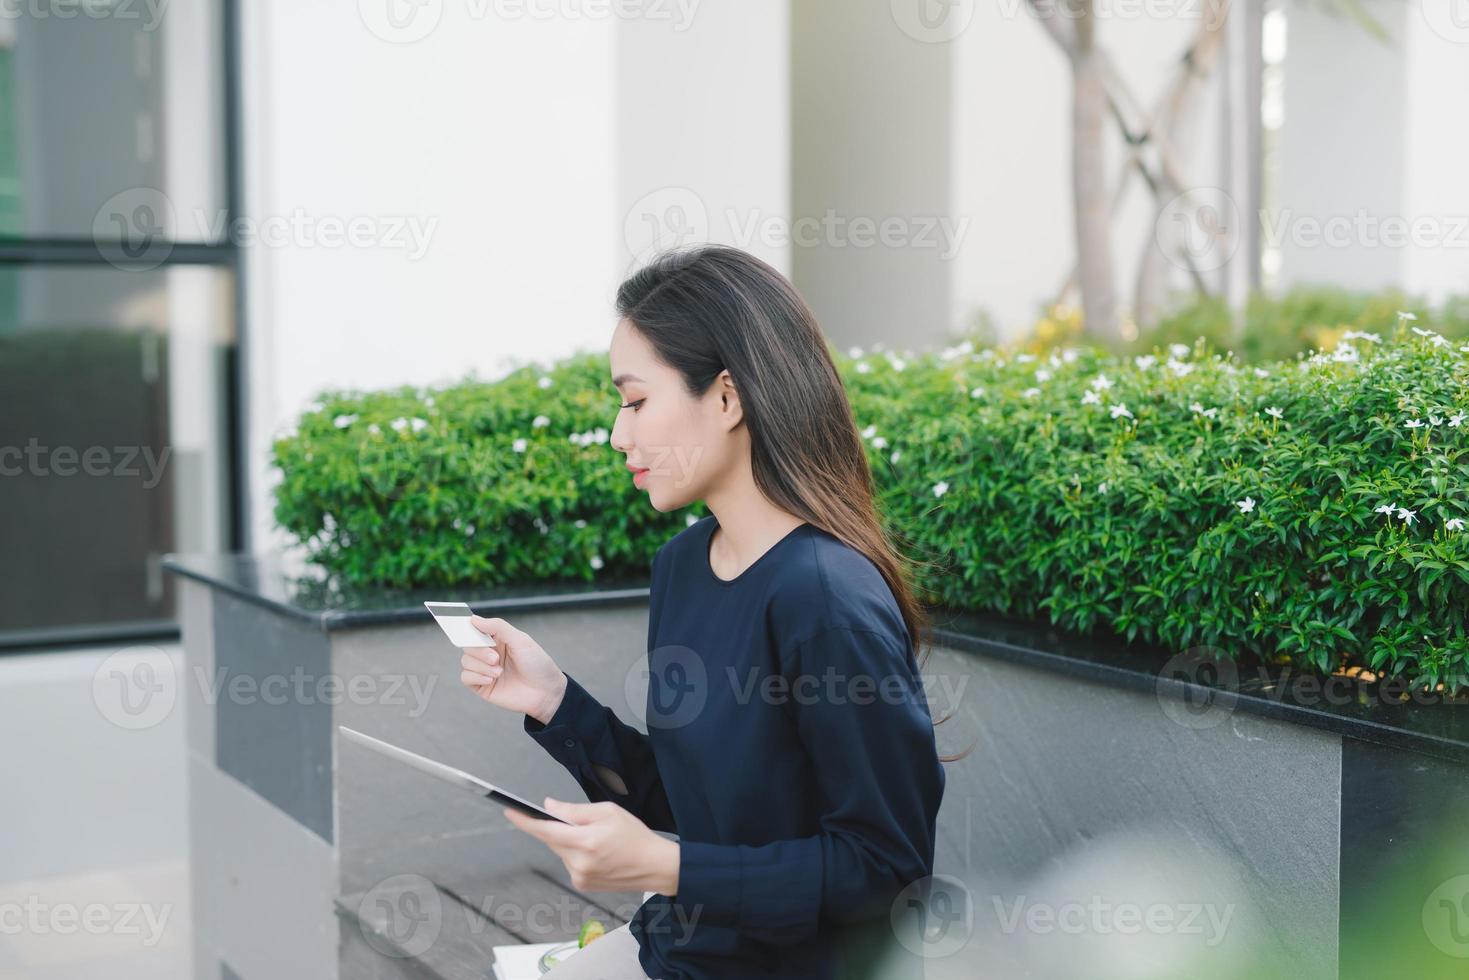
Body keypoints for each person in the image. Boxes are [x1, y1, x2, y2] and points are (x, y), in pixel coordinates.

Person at [459, 245, 950, 979]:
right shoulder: (683, 566)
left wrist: (667, 864)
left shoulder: (825, 598)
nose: (619, 435)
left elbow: (882, 870)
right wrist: (554, 700)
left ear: (726, 398)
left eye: (634, 401)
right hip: (679, 951)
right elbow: (696, 808)